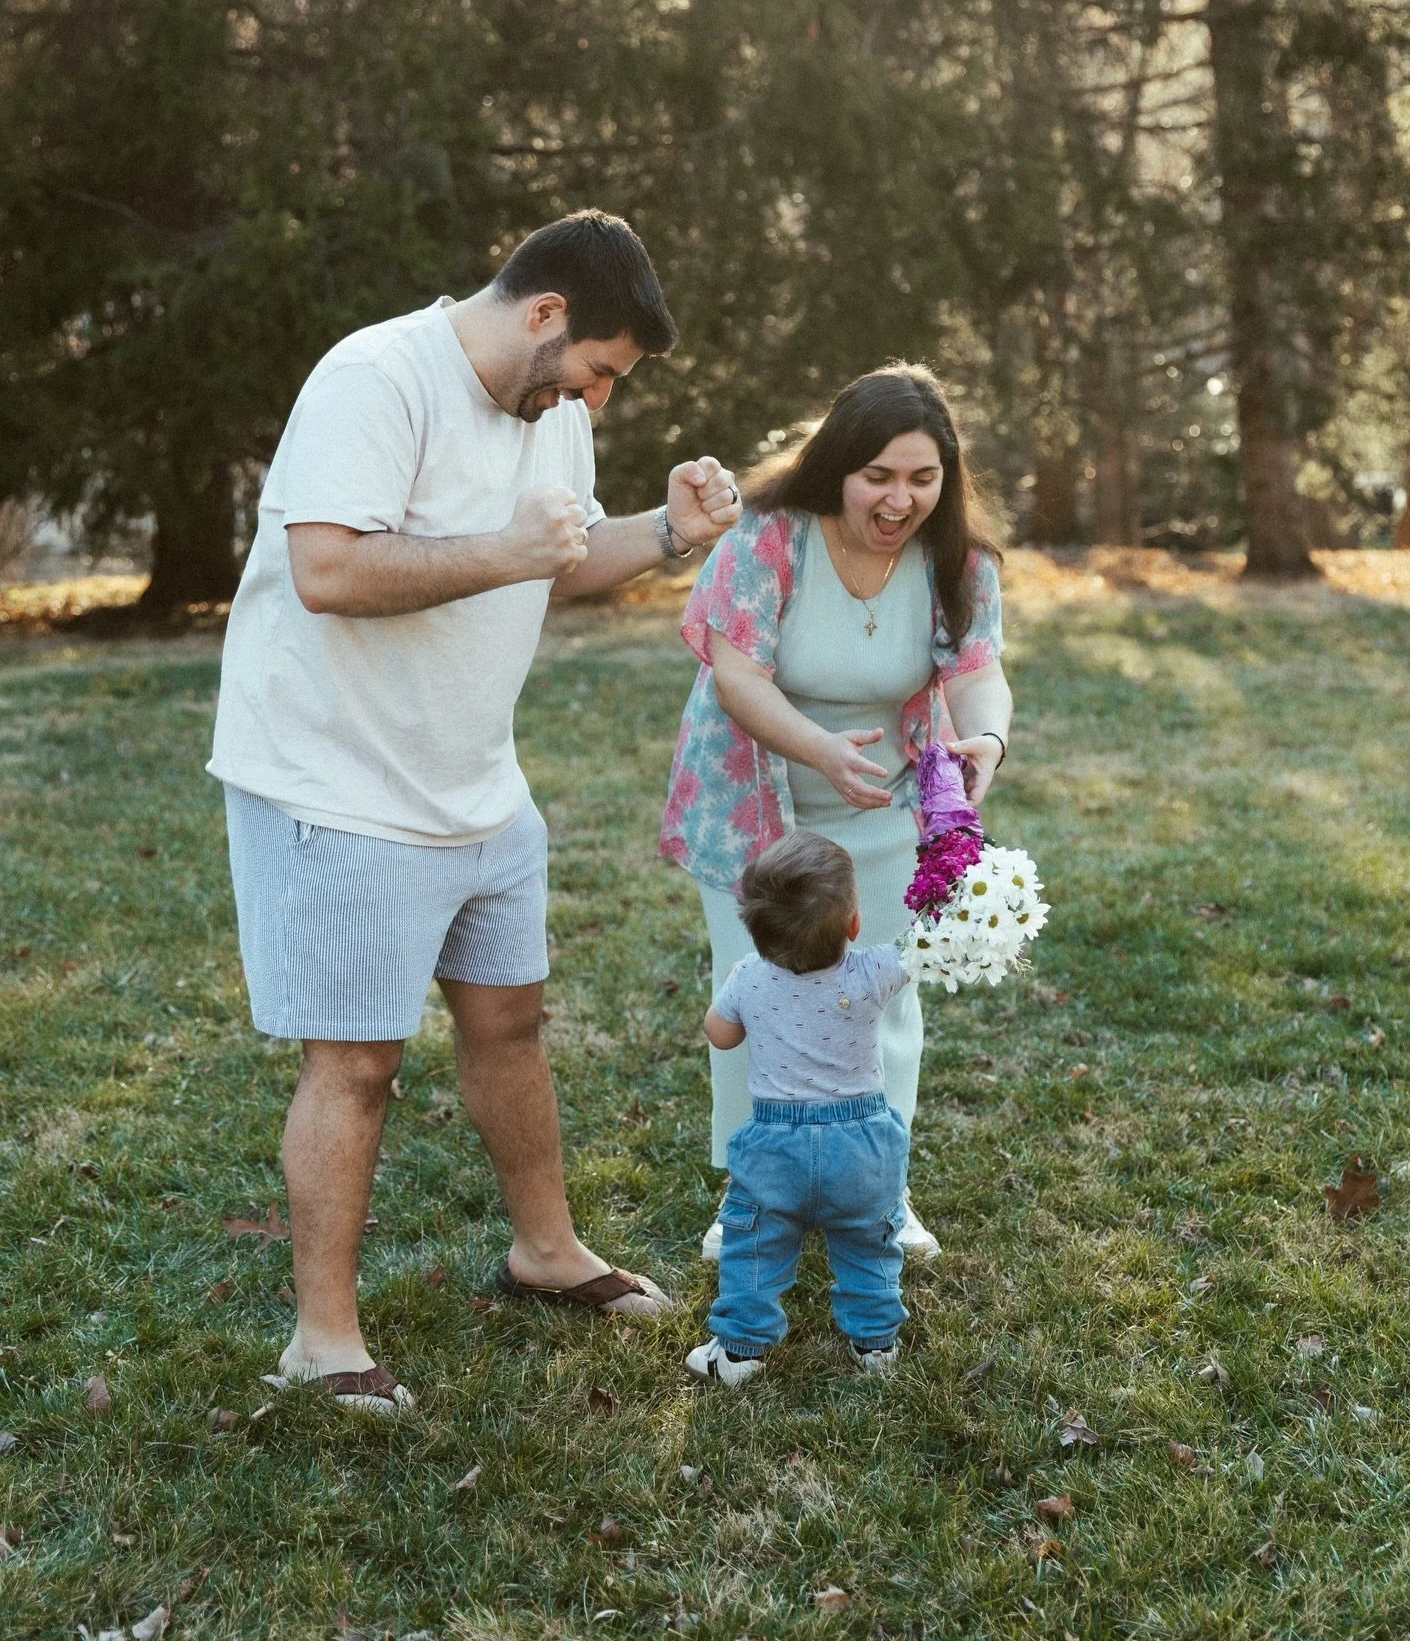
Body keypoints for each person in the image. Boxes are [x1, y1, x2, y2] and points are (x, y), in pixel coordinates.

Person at [208, 210, 741, 1412]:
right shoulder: (375, 377)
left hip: (475, 779)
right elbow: (330, 569)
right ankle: (321, 1341)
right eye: (598, 371)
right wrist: (506, 551)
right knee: (356, 1061)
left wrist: (666, 534)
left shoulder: (546, 414)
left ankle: (544, 1252)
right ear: (545, 315)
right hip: (336, 781)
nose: (596, 402)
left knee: (511, 1021)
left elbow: (559, 555)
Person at [660, 363, 1012, 1263]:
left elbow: (976, 676)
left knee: (885, 1001)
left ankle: (882, 1193)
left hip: (887, 809)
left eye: (923, 478)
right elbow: (738, 678)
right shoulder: (768, 541)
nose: (900, 500)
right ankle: (752, 1196)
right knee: (757, 994)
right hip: (757, 812)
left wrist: (987, 743)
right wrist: (818, 749)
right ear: (838, 469)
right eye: (879, 477)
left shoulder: (958, 562)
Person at [684, 831, 912, 1385]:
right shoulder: (875, 970)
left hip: (775, 1148)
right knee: (868, 1243)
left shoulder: (749, 978)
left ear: (754, 929)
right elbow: (927, 946)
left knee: (755, 1246)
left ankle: (738, 1352)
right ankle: (876, 1343)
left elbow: (719, 1035)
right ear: (854, 924)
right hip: (862, 1148)